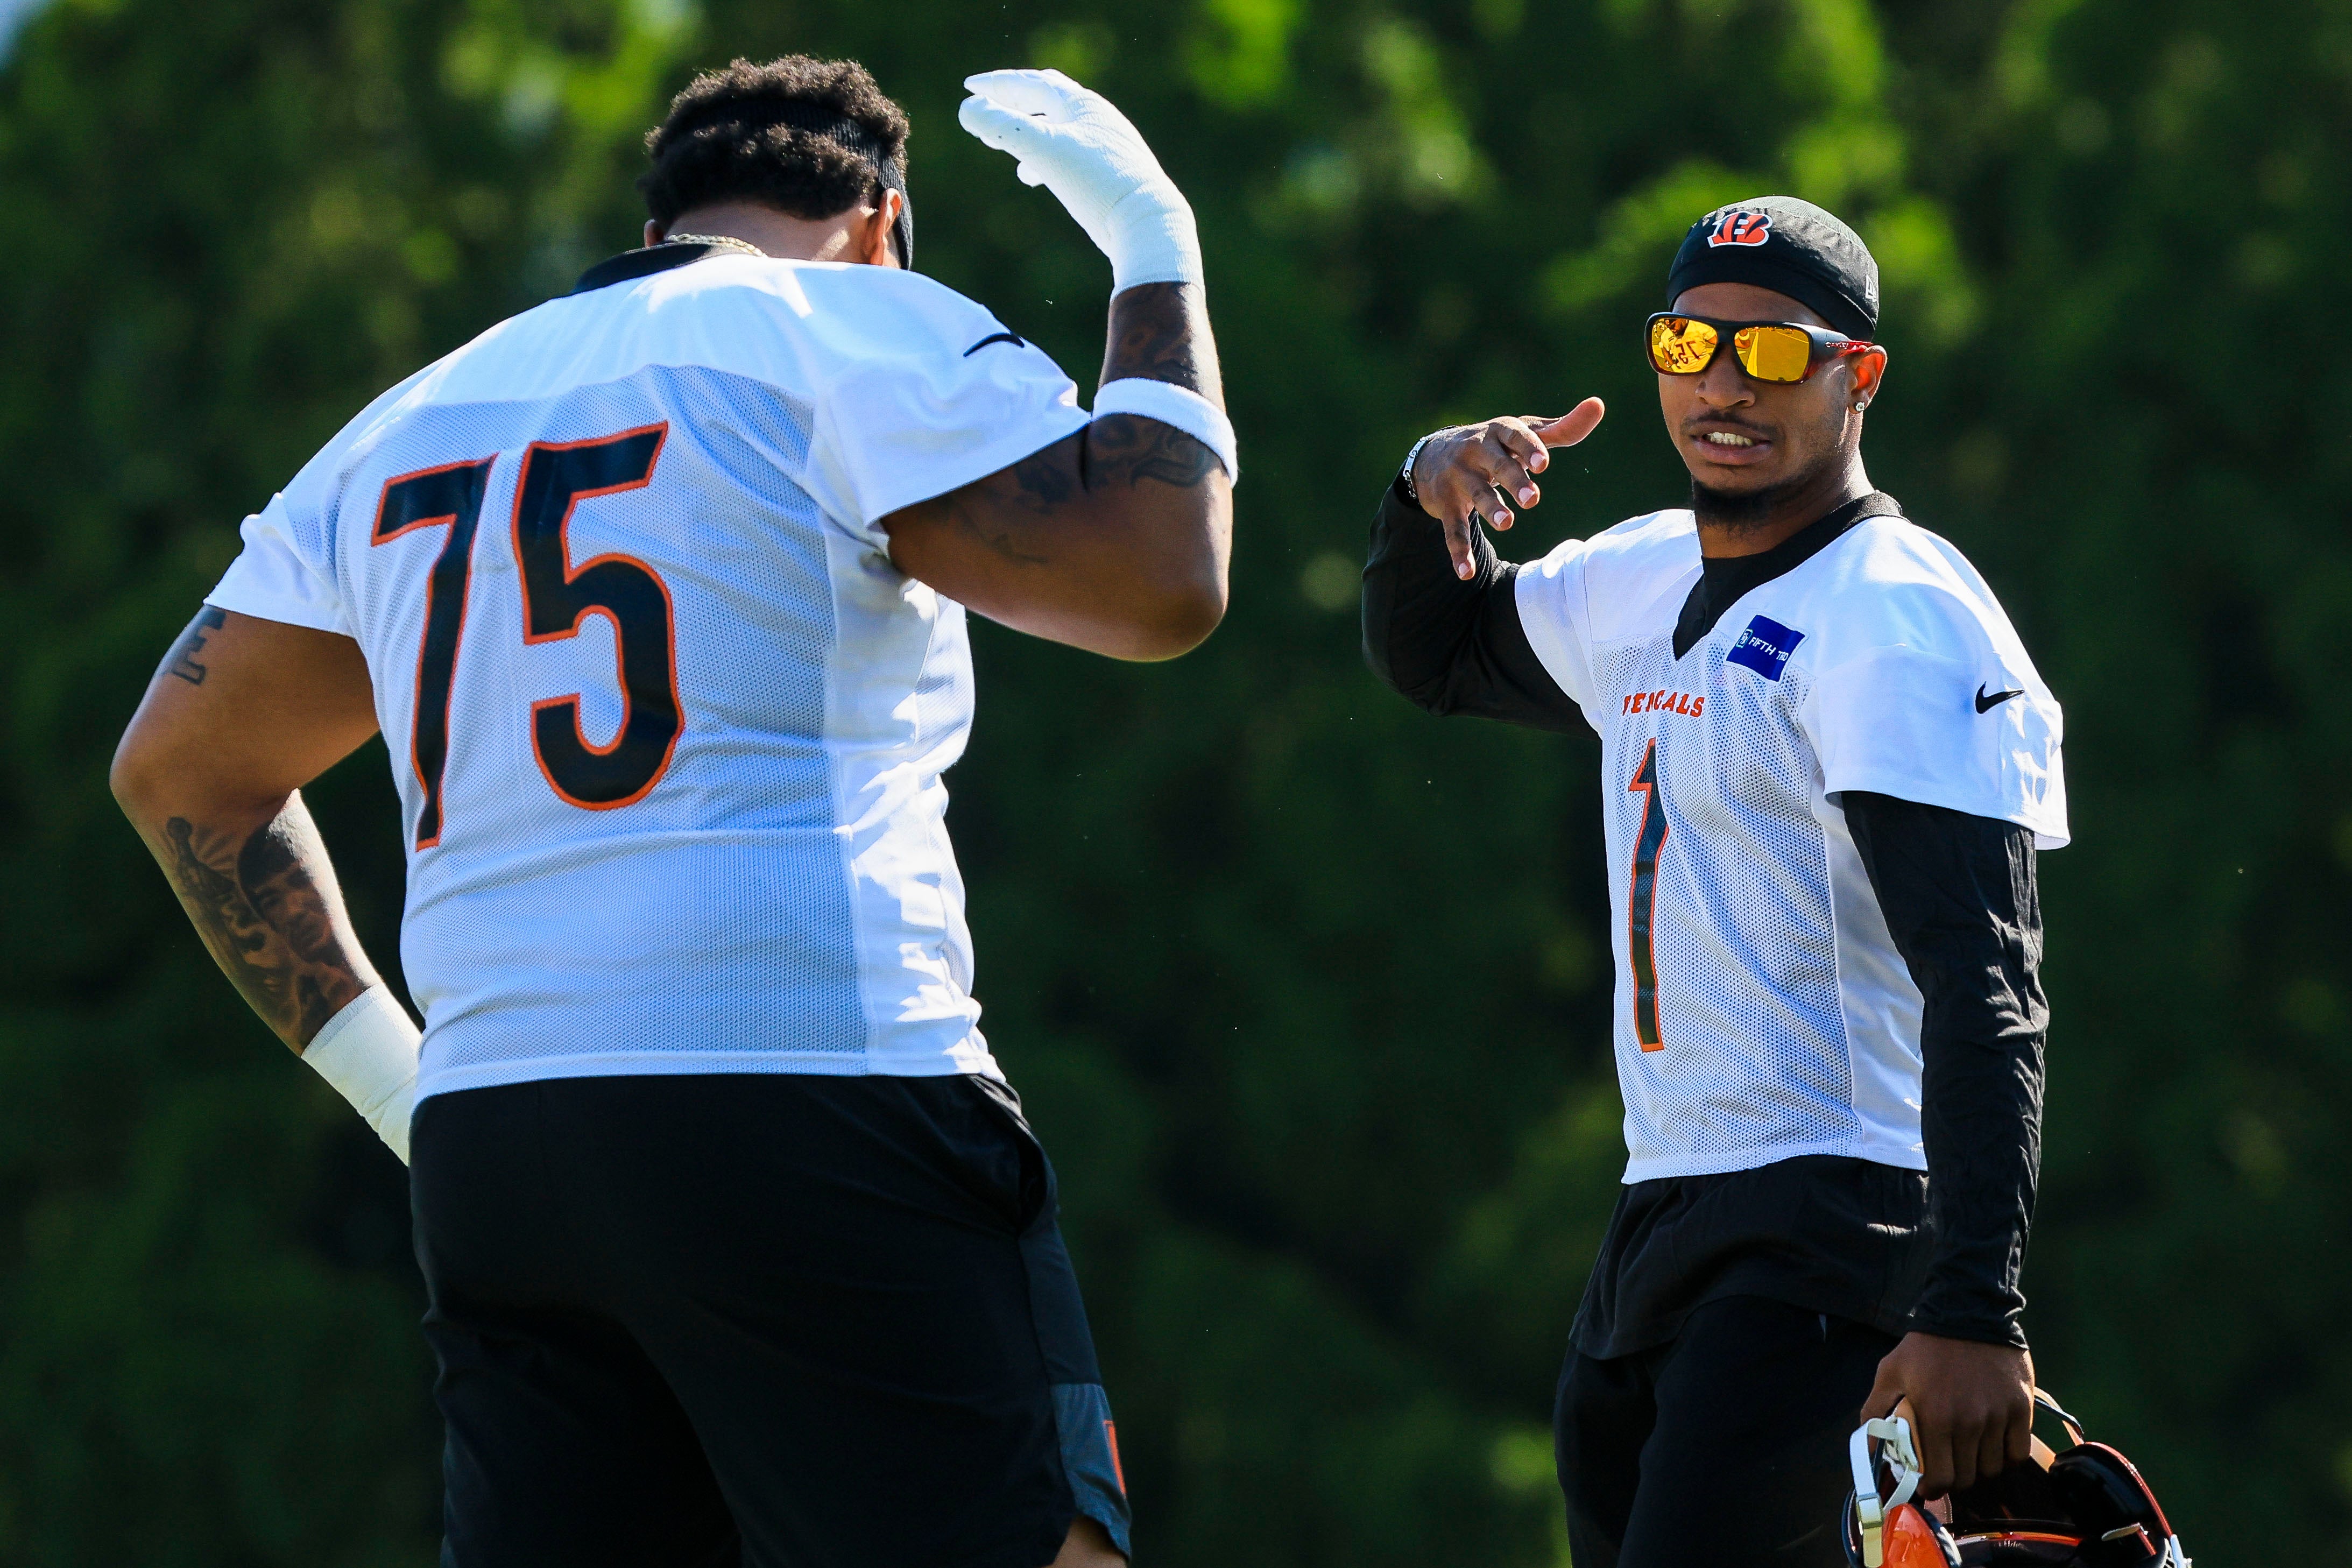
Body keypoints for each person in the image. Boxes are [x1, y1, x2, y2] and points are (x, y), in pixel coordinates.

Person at [109, 55, 1233, 1568]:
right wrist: (1156, 248)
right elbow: (1165, 577)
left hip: (501, 1149)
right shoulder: (841, 324)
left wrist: (404, 1087)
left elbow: (180, 775)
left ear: (664, 219)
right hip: (812, 1087)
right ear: (883, 225)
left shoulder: (410, 418)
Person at [1361, 196, 2065, 1565]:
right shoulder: (1642, 571)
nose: (1725, 384)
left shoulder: (1895, 610)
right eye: (1690, 343)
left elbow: (1985, 983)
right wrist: (1422, 483)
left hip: (1831, 1212)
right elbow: (1433, 650)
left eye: (1774, 354)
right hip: (1662, 1207)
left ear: (1856, 377)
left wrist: (1975, 1302)